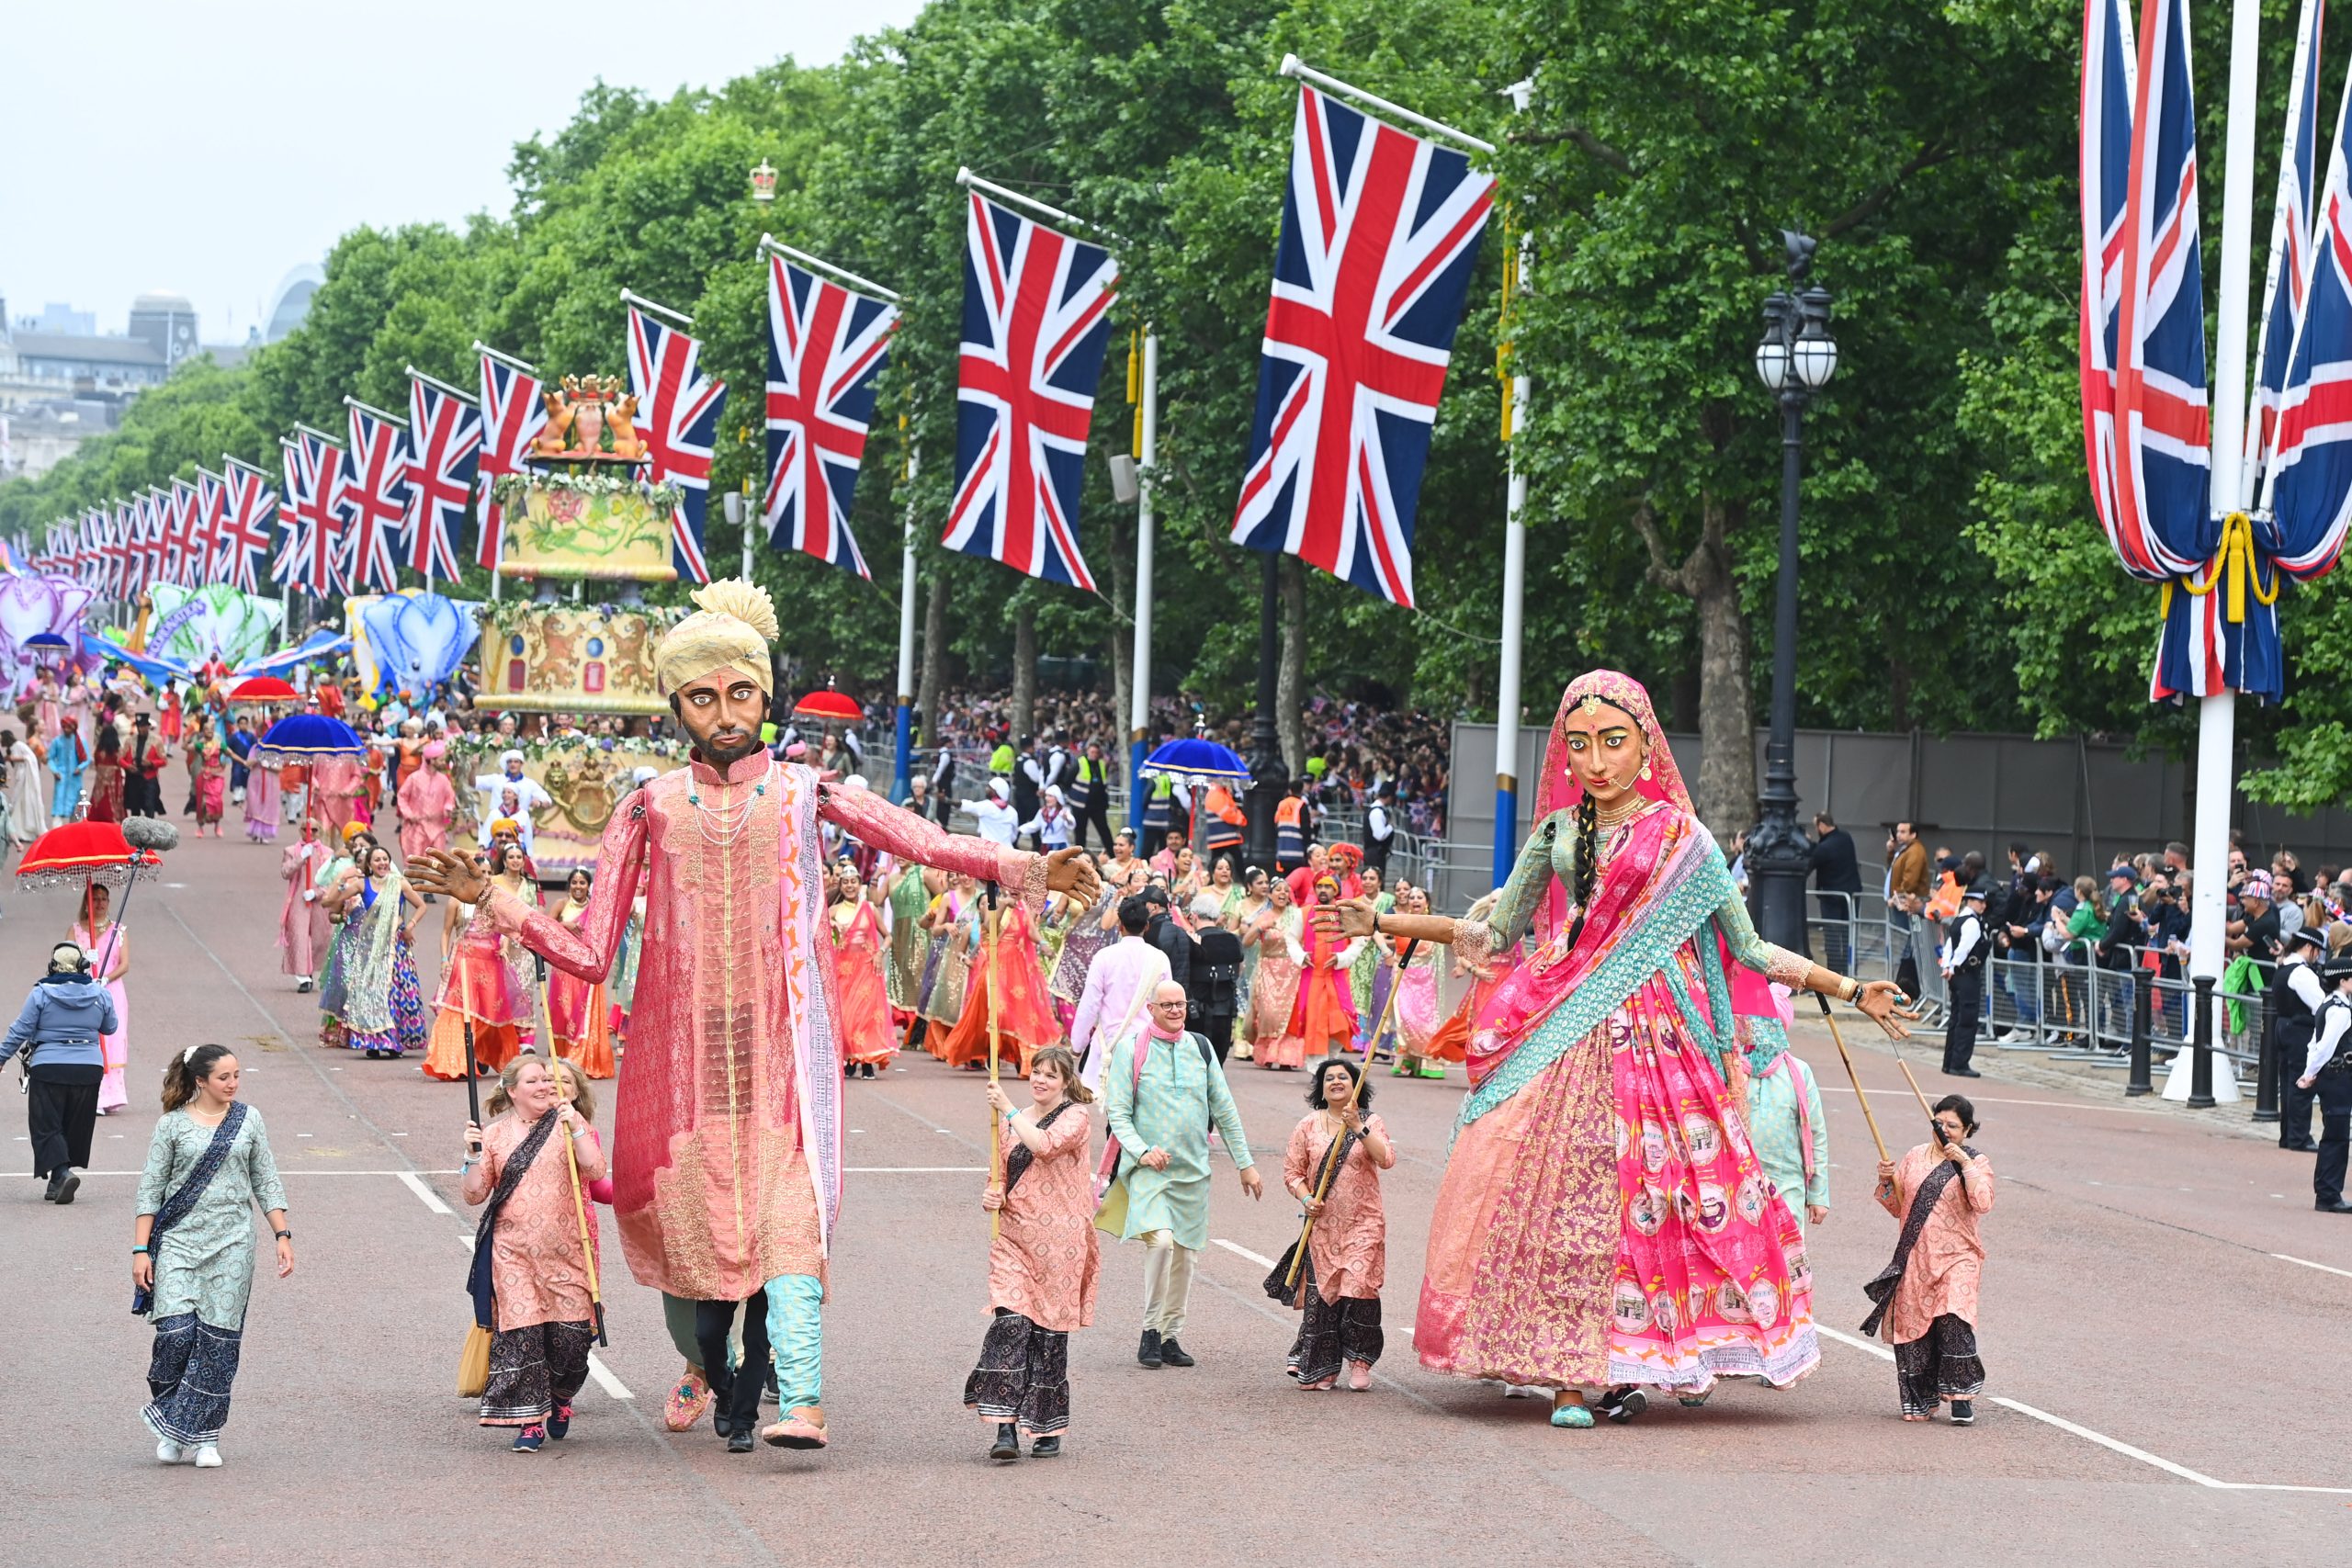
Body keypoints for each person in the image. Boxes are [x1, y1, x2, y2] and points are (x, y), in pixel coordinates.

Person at [412, 579, 1097, 1454]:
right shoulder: (649, 806)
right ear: (677, 707)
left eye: (741, 693)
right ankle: (703, 1366)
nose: (725, 713)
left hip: (786, 1071)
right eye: (704, 697)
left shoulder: (808, 792)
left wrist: (1023, 866)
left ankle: (803, 1401)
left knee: (791, 1227)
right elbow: (587, 951)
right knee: (687, 1254)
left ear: (765, 699)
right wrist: (499, 899)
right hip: (684, 1075)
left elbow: (916, 837)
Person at [1323, 670, 1911, 1427]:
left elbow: (1751, 947)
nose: (1596, 761)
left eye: (1613, 741)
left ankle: (1648, 1355)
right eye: (1579, 745)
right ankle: (1562, 1365)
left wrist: (1848, 984)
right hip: (1559, 1020)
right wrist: (1386, 922)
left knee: (1655, 1196)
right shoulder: (1557, 833)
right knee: (1541, 1187)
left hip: (1659, 1043)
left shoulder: (1684, 841)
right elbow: (1496, 933)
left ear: (1646, 746)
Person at [133, 1044, 293, 1468]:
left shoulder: (249, 1119)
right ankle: (173, 1418)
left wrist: (282, 1234)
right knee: (176, 1335)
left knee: (217, 1343)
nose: (233, 1084)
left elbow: (266, 1178)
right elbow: (150, 1189)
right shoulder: (171, 1127)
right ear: (200, 1080)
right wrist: (139, 1249)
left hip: (233, 1245)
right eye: (224, 1077)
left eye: (237, 1075)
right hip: (179, 1244)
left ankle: (206, 1438)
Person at [1102, 981, 1261, 1369]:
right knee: (1160, 1244)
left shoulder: (1201, 1048)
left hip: (1193, 1172)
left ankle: (1172, 1336)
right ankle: (1150, 1331)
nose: (1176, 1011)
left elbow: (1224, 1109)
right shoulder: (1131, 1049)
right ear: (1152, 1008)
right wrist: (1142, 1152)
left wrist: (1245, 1163)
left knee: (1185, 1257)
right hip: (1149, 1170)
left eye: (1181, 1004)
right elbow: (1118, 1113)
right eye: (1167, 1005)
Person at [461, 1056, 609, 1452]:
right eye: (534, 1080)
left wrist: (575, 1125)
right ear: (512, 1090)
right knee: (522, 1337)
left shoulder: (570, 1124)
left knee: (572, 1341)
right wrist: (473, 1155)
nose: (545, 1085)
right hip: (513, 1255)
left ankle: (561, 1397)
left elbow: (595, 1171)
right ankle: (529, 1422)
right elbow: (475, 1194)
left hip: (567, 1254)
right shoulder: (493, 1135)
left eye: (548, 1079)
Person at [967, 1046, 1099, 1460]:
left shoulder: (1076, 1117)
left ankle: (1046, 1426)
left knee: (1047, 1338)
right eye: (1036, 1072)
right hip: (1013, 1240)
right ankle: (1004, 1429)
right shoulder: (1009, 1121)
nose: (1040, 1080)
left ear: (1065, 1082)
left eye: (1050, 1075)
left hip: (1061, 1244)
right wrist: (992, 1194)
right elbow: (1000, 1173)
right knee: (1010, 1326)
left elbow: (1043, 1145)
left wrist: (1007, 1108)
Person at [1868, 1094, 1994, 1424]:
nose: (1946, 1130)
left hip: (1958, 1257)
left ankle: (1961, 1396)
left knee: (1954, 1317)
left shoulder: (1977, 1163)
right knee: (1913, 1328)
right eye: (1940, 1123)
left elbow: (1982, 1203)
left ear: (1967, 1130)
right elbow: (1898, 1207)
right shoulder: (1914, 1157)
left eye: (1953, 1126)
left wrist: (1964, 1165)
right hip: (1916, 1257)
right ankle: (1922, 1396)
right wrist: (1886, 1180)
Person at [1277, 1055, 1395, 1391]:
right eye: (1329, 1079)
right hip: (1323, 1228)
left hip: (1364, 1223)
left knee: (1358, 1287)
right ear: (1321, 1088)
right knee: (1326, 1295)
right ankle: (1324, 1367)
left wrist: (1358, 1127)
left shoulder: (1371, 1121)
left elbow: (1386, 1158)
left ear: (1356, 1084)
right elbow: (1292, 1173)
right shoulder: (1307, 1126)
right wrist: (1306, 1198)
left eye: (1344, 1077)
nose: (1336, 1082)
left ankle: (1360, 1360)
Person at [2, 941, 120, 1203]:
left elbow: (20, 1030)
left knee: (46, 1125)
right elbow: (110, 1027)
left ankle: (61, 1171)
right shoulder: (99, 994)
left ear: (53, 966)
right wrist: (100, 994)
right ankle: (58, 1179)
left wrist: (1, 1056)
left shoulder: (41, 993)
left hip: (49, 1065)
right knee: (73, 1123)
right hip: (88, 1067)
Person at [326, 844, 427, 1060]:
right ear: (369, 864)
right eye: (377, 860)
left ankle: (393, 1042)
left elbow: (421, 906)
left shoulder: (398, 883)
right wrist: (342, 879)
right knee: (372, 993)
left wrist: (409, 926)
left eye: (385, 859)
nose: (382, 863)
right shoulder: (362, 885)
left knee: (395, 993)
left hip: (395, 947)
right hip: (371, 949)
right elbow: (331, 901)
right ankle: (372, 1041)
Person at [1067, 895, 1170, 1089]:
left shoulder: (1104, 957)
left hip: (1110, 1043)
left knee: (1114, 1104)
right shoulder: (1160, 959)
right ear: (1146, 926)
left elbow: (1090, 1004)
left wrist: (1077, 1044)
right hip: (1148, 1045)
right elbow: (1168, 1004)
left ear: (1119, 925)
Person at [1747, 1014, 1830, 1233]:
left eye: (1773, 1024)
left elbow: (1816, 1134)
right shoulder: (1732, 1068)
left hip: (1787, 1185)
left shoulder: (1800, 1072)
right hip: (1740, 1184)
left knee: (1788, 1261)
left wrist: (1818, 1194)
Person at [546, 869, 617, 1079]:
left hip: (585, 968)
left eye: (582, 883)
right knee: (563, 1014)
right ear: (569, 884)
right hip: (563, 969)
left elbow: (604, 934)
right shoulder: (560, 905)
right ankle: (562, 1058)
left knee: (582, 1015)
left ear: (588, 886)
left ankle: (579, 1061)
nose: (578, 886)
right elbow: (546, 928)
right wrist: (564, 925)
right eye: (575, 882)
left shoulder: (595, 909)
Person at [2295, 953, 2352, 1213]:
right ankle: (2329, 1194)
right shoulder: (2340, 1011)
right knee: (2337, 1136)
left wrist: (2312, 1072)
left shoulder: (2328, 1004)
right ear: (2344, 980)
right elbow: (2324, 1047)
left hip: (2331, 1077)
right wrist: (2309, 1074)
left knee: (2334, 1133)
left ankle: (2326, 1191)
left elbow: (2313, 1044)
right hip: (2339, 1077)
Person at [69, 885, 132, 1115]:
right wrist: (84, 962)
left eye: (104, 899)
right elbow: (66, 959)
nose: (100, 903)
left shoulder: (119, 931)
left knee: (112, 1039)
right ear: (87, 903)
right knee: (88, 1039)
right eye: (95, 899)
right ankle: (90, 1094)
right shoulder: (75, 930)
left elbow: (124, 964)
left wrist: (105, 978)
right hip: (84, 992)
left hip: (111, 991)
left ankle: (111, 1095)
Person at [829, 866, 897, 1078]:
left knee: (865, 1016)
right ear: (840, 886)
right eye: (845, 882)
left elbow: (888, 936)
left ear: (859, 884)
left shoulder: (869, 908)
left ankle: (867, 1062)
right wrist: (829, 924)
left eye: (853, 881)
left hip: (867, 969)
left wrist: (880, 953)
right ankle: (850, 1059)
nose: (850, 885)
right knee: (847, 1017)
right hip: (843, 972)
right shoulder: (833, 911)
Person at [1285, 876, 1361, 1063]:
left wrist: (1341, 958)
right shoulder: (1303, 914)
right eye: (1319, 886)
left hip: (1338, 978)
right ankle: (1317, 1068)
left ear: (1336, 891)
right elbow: (1291, 938)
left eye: (1328, 886)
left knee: (1341, 1022)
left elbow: (1359, 941)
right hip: (1313, 978)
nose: (1323, 890)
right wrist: (1302, 956)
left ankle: (1332, 1059)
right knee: (1315, 1023)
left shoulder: (1347, 915)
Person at [2271, 927, 2329, 1153]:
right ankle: (2299, 1137)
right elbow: (2320, 1005)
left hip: (2283, 1026)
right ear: (2308, 947)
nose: (2317, 956)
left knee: (2287, 1083)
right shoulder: (2302, 973)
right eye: (2317, 951)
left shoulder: (2284, 966)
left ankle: (2288, 1135)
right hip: (2300, 1030)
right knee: (2302, 1083)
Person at [1244, 876, 1306, 1067]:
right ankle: (1268, 1054)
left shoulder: (1296, 915)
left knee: (1289, 1015)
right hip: (1268, 970)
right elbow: (1246, 941)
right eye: (1278, 890)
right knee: (1268, 1014)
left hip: (1292, 971)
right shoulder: (1264, 916)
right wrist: (1261, 928)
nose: (1282, 893)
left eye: (1286, 891)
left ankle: (1287, 1058)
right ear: (1270, 894)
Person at [1806, 812, 1863, 976]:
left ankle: (1835, 970)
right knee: (1848, 933)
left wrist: (1808, 845)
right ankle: (1849, 968)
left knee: (1832, 934)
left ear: (1822, 826)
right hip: (1851, 893)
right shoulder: (1846, 838)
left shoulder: (1824, 848)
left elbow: (1812, 860)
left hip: (1831, 896)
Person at [1939, 885, 1988, 1078]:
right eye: (1980, 901)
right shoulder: (1972, 923)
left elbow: (1949, 947)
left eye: (1984, 902)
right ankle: (1959, 1063)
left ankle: (1949, 1062)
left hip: (1957, 975)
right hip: (1967, 974)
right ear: (1970, 901)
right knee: (1967, 1019)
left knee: (1956, 1018)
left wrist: (1947, 967)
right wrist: (1953, 967)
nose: (1983, 905)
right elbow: (1963, 949)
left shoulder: (1959, 920)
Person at [397, 737, 457, 867]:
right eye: (440, 759)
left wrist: (447, 808)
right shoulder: (414, 778)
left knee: (437, 865)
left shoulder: (443, 780)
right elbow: (402, 796)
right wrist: (409, 814)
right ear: (432, 760)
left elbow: (449, 797)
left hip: (437, 828)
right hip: (416, 827)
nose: (443, 762)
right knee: (416, 865)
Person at [1069, 740, 1115, 852]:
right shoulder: (1080, 763)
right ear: (1088, 751)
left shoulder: (1101, 764)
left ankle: (1112, 854)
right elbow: (1068, 780)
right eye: (1092, 752)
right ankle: (1080, 856)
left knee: (1104, 830)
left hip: (1098, 805)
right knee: (1080, 832)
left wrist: (1105, 803)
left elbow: (1103, 784)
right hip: (1081, 805)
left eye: (1096, 752)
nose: (1094, 754)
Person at [5, 727, 47, 843]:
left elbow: (29, 758)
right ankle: (18, 830)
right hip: (20, 777)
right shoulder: (14, 747)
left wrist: (11, 758)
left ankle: (25, 830)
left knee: (22, 801)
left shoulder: (18, 745)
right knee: (19, 802)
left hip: (25, 777)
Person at [960, 777, 1022, 847]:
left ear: (996, 791)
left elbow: (967, 805)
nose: (986, 789)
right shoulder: (1012, 811)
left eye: (989, 788)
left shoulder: (987, 805)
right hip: (1007, 850)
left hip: (988, 849)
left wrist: (947, 800)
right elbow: (1014, 835)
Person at [46, 714, 85, 821]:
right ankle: (57, 832)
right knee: (59, 804)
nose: (66, 730)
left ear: (73, 728)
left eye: (69, 727)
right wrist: (54, 771)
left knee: (76, 806)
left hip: (75, 778)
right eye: (64, 727)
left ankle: (74, 831)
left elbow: (87, 759)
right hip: (61, 777)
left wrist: (80, 768)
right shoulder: (57, 741)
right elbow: (50, 758)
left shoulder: (80, 742)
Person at [85, 725, 128, 823]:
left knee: (98, 798)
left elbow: (96, 763)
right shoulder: (117, 751)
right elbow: (121, 762)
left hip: (100, 779)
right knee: (113, 800)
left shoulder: (98, 751)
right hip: (114, 778)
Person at [195, 730, 229, 837]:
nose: (209, 732)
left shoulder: (219, 745)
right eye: (206, 729)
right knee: (202, 802)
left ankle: (217, 825)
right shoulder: (200, 745)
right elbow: (186, 747)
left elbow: (231, 753)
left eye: (211, 730)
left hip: (217, 775)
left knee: (217, 800)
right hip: (204, 775)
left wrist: (243, 762)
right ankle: (200, 827)